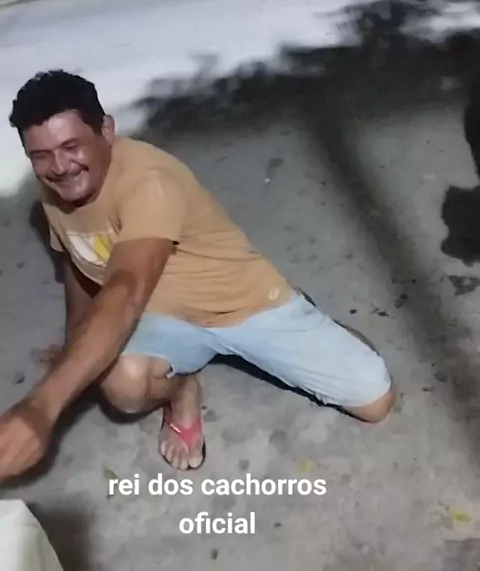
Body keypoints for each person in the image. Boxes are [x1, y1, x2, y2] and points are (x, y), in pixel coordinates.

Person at [0, 70, 395, 479]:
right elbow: (75, 262)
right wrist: (74, 343)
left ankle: (308, 319)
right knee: (122, 385)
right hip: (160, 316)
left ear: (106, 131)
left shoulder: (149, 182)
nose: (59, 167)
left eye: (71, 146)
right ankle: (182, 390)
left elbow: (126, 288)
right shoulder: (54, 191)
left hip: (239, 304)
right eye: (40, 155)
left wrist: (41, 406)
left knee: (375, 401)